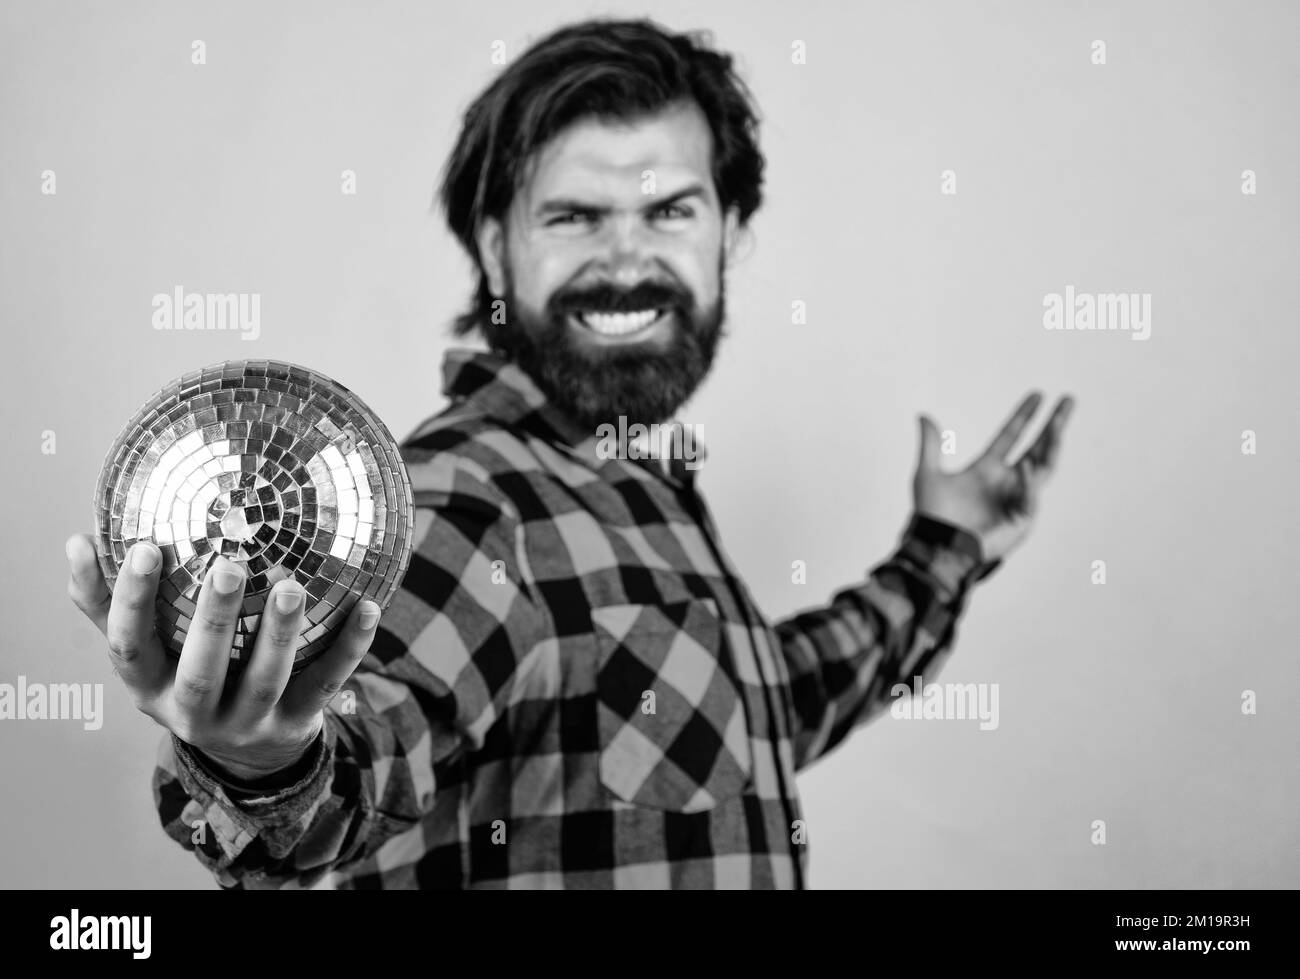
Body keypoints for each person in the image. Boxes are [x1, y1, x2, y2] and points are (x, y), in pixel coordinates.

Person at [64, 17, 1073, 889]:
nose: (628, 258)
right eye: (574, 216)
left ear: (732, 236)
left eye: (672, 210)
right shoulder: (466, 498)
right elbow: (352, 765)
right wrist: (263, 760)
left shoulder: (641, 490)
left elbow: (757, 707)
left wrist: (946, 546)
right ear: (496, 248)